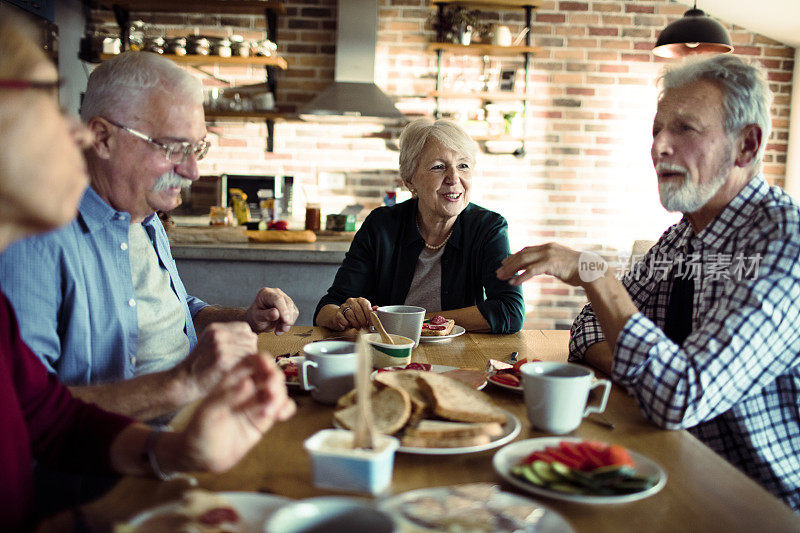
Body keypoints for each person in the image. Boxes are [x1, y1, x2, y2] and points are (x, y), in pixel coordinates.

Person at [0, 14, 296, 531]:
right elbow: (32, 437)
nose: (194, 170)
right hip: (105, 490)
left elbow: (48, 416)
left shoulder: (143, 217)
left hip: (170, 445)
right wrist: (182, 386)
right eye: (174, 147)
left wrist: (176, 446)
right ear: (104, 138)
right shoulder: (31, 241)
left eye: (197, 148)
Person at [496, 55, 800, 511]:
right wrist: (645, 374)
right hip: (673, 462)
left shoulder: (783, 242)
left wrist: (595, 273)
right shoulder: (680, 239)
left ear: (747, 146)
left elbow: (679, 395)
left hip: (758, 503)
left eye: (685, 129)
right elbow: (585, 331)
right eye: (657, 129)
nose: (659, 146)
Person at [314, 118, 524, 333]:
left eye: (463, 165)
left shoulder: (488, 227)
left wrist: (410, 321)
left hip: (459, 353)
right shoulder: (381, 225)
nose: (454, 178)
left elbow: (510, 311)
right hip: (388, 350)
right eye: (438, 167)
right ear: (410, 180)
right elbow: (327, 308)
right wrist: (344, 314)